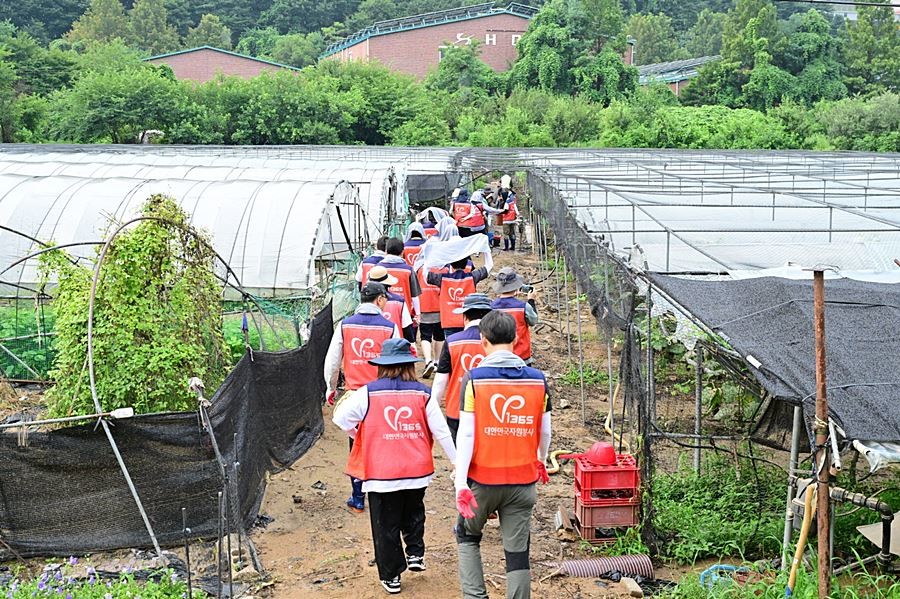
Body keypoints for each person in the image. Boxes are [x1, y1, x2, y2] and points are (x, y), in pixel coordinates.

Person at [333, 339, 456, 595]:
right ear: (410, 365)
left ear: (382, 366)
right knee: (413, 511)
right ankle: (415, 553)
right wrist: (457, 464)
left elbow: (340, 417)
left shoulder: (367, 392)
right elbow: (442, 431)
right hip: (417, 471)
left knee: (385, 523)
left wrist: (358, 434)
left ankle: (391, 576)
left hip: (381, 472)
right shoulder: (422, 393)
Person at [454, 311, 552, 599]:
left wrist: (461, 483)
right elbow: (544, 432)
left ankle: (476, 596)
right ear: (516, 338)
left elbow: (467, 434)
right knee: (517, 552)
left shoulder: (474, 379)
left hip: (482, 481)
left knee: (467, 536)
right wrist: (541, 460)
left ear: (483, 340)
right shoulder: (538, 380)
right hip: (523, 482)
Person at [323, 282, 401, 514]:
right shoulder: (389, 327)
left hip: (355, 394)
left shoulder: (345, 326)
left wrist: (330, 388)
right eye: (384, 298)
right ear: (379, 300)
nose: (386, 301)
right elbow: (398, 360)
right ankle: (382, 491)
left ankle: (358, 497)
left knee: (357, 444)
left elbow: (333, 360)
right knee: (383, 440)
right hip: (381, 394)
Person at [431, 293, 491, 442]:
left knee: (460, 457)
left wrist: (433, 412)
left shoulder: (452, 342)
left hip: (456, 409)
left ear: (465, 317)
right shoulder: (495, 343)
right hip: (488, 411)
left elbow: (440, 382)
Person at [414, 216, 460, 378]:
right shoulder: (445, 269)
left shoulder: (420, 268)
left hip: (424, 306)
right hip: (440, 307)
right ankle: (439, 361)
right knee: (439, 336)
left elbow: (415, 288)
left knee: (425, 336)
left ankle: (428, 360)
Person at [427, 256, 489, 338]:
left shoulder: (442, 278)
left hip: (449, 322)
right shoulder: (472, 277)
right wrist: (486, 251)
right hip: (468, 320)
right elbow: (488, 266)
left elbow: (425, 274)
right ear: (466, 263)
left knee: (451, 347)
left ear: (451, 264)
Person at [490, 268, 539, 364]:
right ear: (516, 286)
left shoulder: (491, 307)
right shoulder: (523, 307)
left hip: (498, 356)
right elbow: (533, 321)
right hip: (521, 356)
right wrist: (531, 301)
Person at [367, 266, 416, 344]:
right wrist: (412, 345)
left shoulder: (365, 302)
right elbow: (407, 328)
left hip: (373, 344)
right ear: (388, 284)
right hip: (395, 346)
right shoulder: (399, 301)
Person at [380, 238, 422, 320]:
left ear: (386, 251)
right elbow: (414, 296)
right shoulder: (408, 270)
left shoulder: (378, 268)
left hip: (382, 312)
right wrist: (418, 314)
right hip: (404, 313)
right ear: (402, 252)